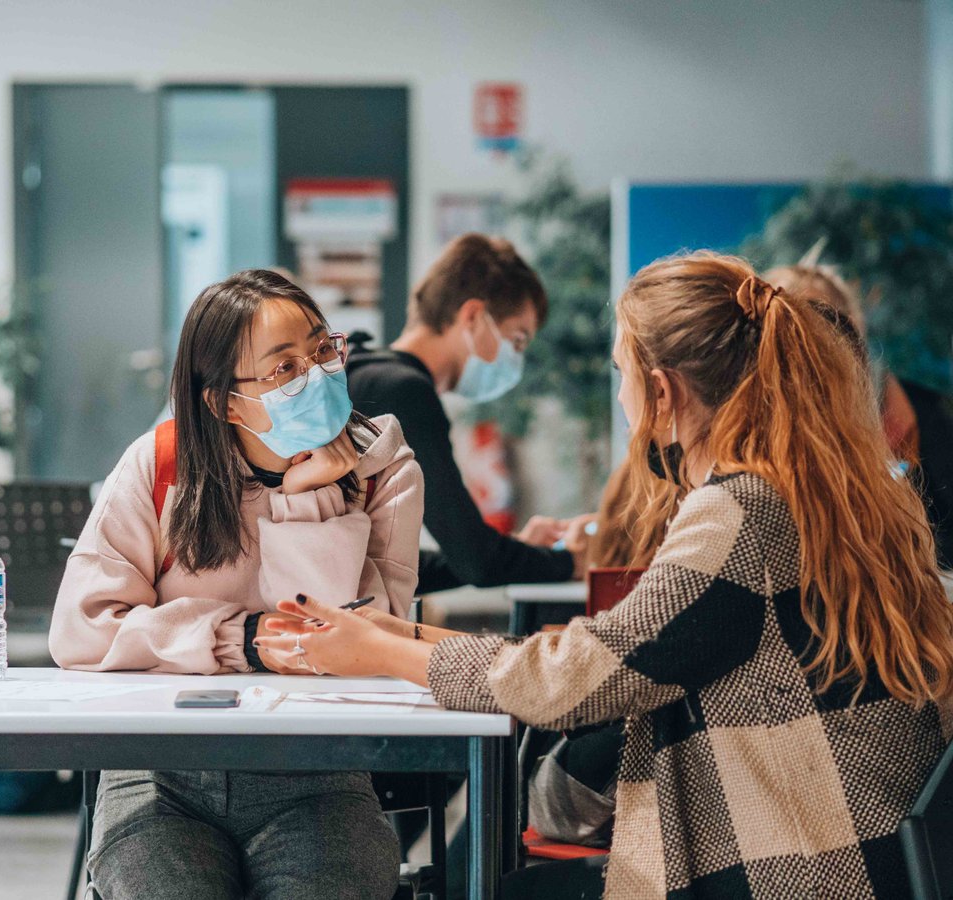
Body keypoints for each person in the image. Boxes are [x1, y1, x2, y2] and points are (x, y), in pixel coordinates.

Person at [258, 252, 953, 899]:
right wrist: (403, 633)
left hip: (802, 864)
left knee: (492, 884)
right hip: (858, 838)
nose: (619, 394)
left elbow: (580, 679)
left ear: (660, 390)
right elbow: (628, 651)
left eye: (620, 373)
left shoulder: (740, 512)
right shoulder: (820, 491)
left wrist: (382, 651)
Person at [49, 270, 422, 900]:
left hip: (321, 774)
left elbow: (358, 648)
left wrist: (309, 501)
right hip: (159, 777)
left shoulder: (384, 469)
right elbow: (82, 629)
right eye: (283, 368)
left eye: (321, 349)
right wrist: (237, 639)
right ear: (224, 402)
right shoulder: (160, 464)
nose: (315, 373)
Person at [345, 234, 576, 594]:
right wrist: (574, 561)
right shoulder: (405, 392)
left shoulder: (367, 371)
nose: (516, 360)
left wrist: (515, 551)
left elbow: (381, 565)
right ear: (472, 315)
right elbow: (476, 562)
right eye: (517, 340)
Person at [767, 263, 953, 568]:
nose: (802, 347)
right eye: (783, 331)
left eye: (822, 322)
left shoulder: (930, 417)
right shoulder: (774, 441)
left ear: (855, 327)